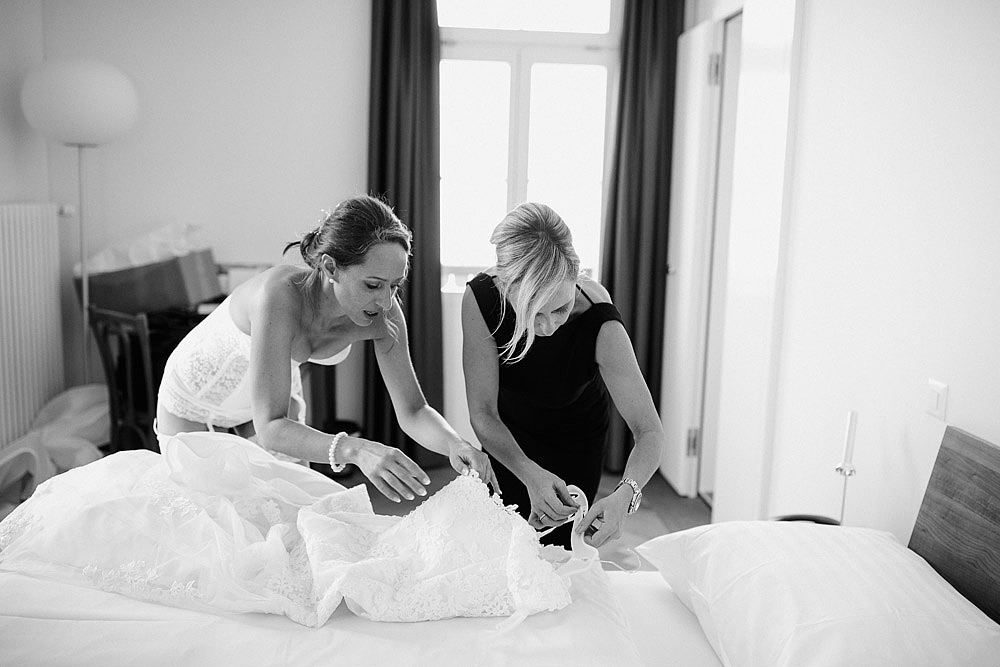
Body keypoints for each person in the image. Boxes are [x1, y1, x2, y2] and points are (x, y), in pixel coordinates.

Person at [157, 194, 496, 500]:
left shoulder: (386, 316)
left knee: (293, 527)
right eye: (373, 284)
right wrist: (356, 449)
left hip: (265, 406)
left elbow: (413, 410)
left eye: (395, 285)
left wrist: (456, 443)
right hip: (193, 402)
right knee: (211, 530)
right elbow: (271, 426)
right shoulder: (279, 295)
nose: (386, 300)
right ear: (331, 267)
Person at [462, 202, 663, 549]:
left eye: (560, 308)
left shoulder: (600, 321)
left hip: (576, 439)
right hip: (505, 433)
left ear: (576, 277)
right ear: (506, 287)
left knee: (562, 549)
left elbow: (649, 431)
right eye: (533, 312)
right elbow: (482, 412)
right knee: (499, 545)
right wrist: (528, 472)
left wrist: (624, 494)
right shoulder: (481, 298)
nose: (549, 326)